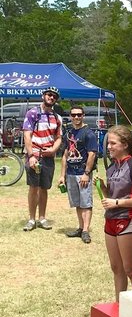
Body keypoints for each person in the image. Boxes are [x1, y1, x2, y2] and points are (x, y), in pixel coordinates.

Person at [95, 126, 132, 301]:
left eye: (113, 143)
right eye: (108, 143)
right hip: (110, 220)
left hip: (127, 219)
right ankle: (119, 305)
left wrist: (117, 203)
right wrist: (103, 188)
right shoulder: (111, 167)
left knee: (131, 269)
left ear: (125, 144)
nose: (108, 146)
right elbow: (111, 197)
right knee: (116, 268)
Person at [22, 87, 63, 231]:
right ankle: (31, 219)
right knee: (33, 188)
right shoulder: (33, 113)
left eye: (54, 96)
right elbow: (27, 135)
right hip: (35, 155)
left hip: (48, 157)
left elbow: (58, 137)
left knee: (44, 188)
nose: (51, 98)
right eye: (49, 95)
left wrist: (53, 149)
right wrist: (31, 155)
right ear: (43, 96)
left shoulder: (57, 118)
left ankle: (42, 218)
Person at [58, 106, 97, 244]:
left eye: (79, 115)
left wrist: (87, 173)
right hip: (70, 173)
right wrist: (62, 175)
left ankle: (86, 230)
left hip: (82, 173)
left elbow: (92, 154)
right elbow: (65, 155)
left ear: (83, 116)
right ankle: (80, 228)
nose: (76, 117)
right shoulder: (69, 133)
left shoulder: (89, 133)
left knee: (86, 203)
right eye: (73, 115)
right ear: (70, 116)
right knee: (77, 203)